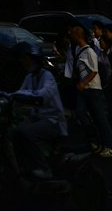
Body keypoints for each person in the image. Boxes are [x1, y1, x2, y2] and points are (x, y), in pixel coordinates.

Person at [10, 45, 67, 178]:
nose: (23, 61)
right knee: (15, 132)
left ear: (34, 59)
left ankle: (44, 168)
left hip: (53, 121)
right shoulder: (30, 77)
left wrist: (27, 96)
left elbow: (44, 95)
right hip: (38, 119)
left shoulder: (47, 76)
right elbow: (19, 94)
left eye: (26, 58)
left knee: (25, 132)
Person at [68, 24, 112, 154]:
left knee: (101, 117)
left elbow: (94, 71)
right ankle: (95, 140)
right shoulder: (78, 50)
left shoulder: (90, 52)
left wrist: (83, 83)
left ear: (78, 36)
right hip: (84, 89)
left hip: (93, 89)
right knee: (82, 115)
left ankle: (108, 146)